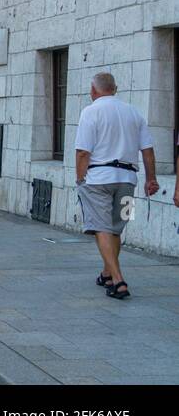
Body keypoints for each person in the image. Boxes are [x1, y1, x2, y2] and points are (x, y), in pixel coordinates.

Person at [73, 72, 160, 300]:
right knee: (115, 228)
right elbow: (148, 151)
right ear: (116, 88)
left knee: (101, 228)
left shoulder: (90, 112)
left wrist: (80, 178)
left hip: (98, 179)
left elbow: (83, 151)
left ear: (93, 91)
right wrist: (151, 179)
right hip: (128, 180)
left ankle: (118, 280)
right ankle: (107, 273)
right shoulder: (134, 113)